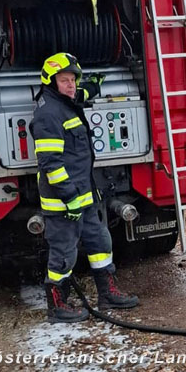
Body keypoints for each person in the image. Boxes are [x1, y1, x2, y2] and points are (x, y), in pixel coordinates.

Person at [30, 52, 139, 323]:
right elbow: (51, 164)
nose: (71, 85)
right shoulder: (48, 114)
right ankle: (57, 306)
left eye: (73, 80)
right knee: (64, 253)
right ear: (50, 82)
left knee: (100, 241)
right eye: (64, 80)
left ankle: (107, 293)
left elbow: (79, 96)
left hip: (84, 194)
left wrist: (92, 86)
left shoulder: (65, 103)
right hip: (64, 201)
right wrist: (69, 198)